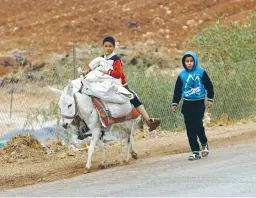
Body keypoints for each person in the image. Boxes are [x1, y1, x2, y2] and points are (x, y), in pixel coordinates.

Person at [84, 36, 161, 132]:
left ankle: (148, 121)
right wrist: (87, 73)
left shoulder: (116, 59)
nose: (108, 48)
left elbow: (118, 74)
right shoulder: (100, 59)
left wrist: (105, 72)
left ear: (114, 47)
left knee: (133, 97)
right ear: (103, 47)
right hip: (105, 85)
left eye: (110, 46)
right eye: (106, 46)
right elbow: (92, 69)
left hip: (120, 85)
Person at [171, 51, 214, 160]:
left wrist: (210, 99)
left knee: (198, 125)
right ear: (184, 62)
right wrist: (175, 103)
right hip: (187, 104)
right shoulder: (182, 75)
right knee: (190, 128)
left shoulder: (201, 72)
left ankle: (204, 143)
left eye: (191, 61)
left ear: (195, 61)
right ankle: (195, 151)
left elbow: (209, 86)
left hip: (199, 103)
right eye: (187, 61)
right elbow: (177, 91)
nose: (189, 63)